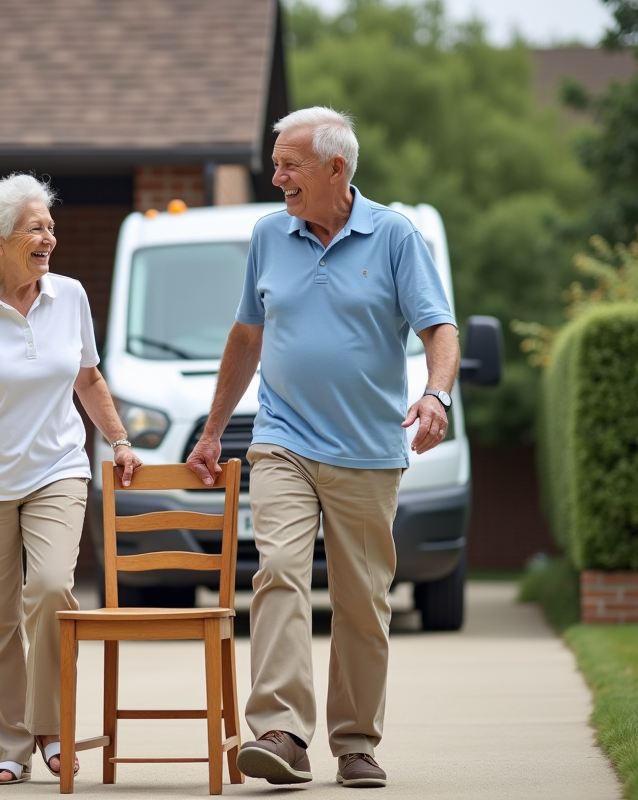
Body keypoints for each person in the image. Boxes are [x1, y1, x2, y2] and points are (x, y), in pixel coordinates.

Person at [186, 107, 459, 789]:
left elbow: (439, 329)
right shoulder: (268, 235)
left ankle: (356, 742)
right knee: (278, 570)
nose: (276, 176)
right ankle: (281, 733)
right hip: (283, 440)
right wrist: (213, 430)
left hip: (367, 450)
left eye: (289, 165)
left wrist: (436, 395)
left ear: (336, 168)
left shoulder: (395, 235)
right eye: (275, 163)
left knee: (362, 600)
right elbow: (247, 336)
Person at [0, 174, 141, 785]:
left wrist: (120, 440)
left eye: (50, 226)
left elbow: (88, 379)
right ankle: (12, 747)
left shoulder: (70, 296)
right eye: (36, 228)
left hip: (56, 469)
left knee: (47, 589)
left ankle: (52, 729)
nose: (50, 238)